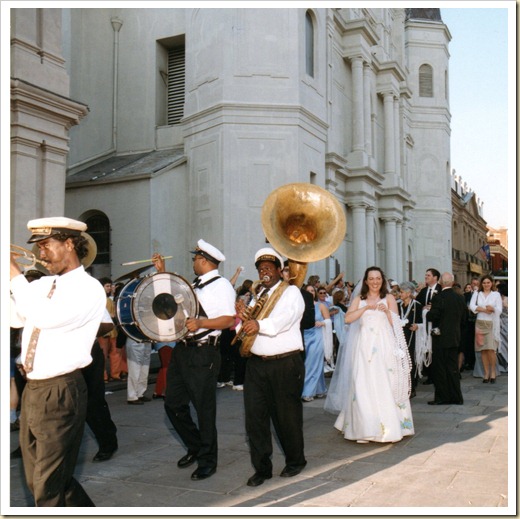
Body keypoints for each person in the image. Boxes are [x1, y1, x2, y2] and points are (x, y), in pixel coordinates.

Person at [10, 216, 106, 506]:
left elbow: (45, 318)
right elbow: (16, 316)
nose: (40, 253)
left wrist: (13, 273)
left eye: (45, 245)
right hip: (34, 388)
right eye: (38, 247)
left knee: (47, 486)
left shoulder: (89, 289)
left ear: (69, 244)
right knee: (42, 479)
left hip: (61, 390)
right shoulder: (42, 285)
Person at [153, 239, 236, 481]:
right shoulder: (196, 285)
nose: (192, 263)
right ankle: (196, 446)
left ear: (203, 261)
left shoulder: (221, 286)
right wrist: (161, 273)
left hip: (203, 352)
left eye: (194, 259)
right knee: (173, 404)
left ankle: (208, 459)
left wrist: (201, 323)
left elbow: (228, 320)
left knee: (203, 409)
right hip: (183, 349)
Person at [237, 248, 306, 487]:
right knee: (255, 419)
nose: (264, 272)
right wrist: (241, 321)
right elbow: (245, 330)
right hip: (256, 365)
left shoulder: (291, 293)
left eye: (268, 268)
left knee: (286, 418)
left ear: (279, 270)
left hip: (285, 363)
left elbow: (283, 321)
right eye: (260, 269)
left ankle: (296, 461)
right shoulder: (257, 296)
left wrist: (257, 323)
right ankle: (262, 468)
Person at [326, 266, 414, 444]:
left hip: (384, 345)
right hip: (364, 347)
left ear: (382, 281)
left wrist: (386, 311)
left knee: (384, 381)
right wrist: (366, 309)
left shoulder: (389, 298)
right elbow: (348, 318)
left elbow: (397, 324)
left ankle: (389, 426)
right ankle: (364, 426)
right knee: (362, 383)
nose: (375, 282)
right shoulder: (360, 299)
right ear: (366, 281)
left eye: (378, 278)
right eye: (371, 278)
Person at [82, 310, 119, 462]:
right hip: (57, 355)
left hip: (87, 352)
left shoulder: (87, 291)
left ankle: (107, 442)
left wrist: (77, 329)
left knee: (93, 402)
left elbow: (107, 325)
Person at [426, 272, 467, 404]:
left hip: (440, 338)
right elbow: (464, 319)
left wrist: (428, 311)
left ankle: (442, 397)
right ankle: (456, 397)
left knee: (440, 369)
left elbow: (432, 316)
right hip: (454, 337)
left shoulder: (438, 297)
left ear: (442, 283)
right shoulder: (460, 297)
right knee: (453, 368)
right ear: (453, 282)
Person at [469, 274, 502, 383]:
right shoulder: (477, 294)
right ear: (481, 284)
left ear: (491, 283)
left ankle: (493, 372)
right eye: (484, 283)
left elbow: (500, 310)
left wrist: (492, 308)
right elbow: (472, 306)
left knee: (491, 350)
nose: (486, 284)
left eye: (488, 282)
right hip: (480, 323)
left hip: (491, 324)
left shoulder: (496, 294)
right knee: (482, 349)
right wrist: (484, 310)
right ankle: (486, 373)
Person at [301, 284, 329, 402]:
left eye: (313, 290)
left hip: (317, 336)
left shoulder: (321, 306)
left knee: (311, 364)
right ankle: (320, 389)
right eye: (308, 291)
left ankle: (307, 392)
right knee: (313, 363)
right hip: (305, 336)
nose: (311, 293)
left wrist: (322, 323)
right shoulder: (301, 306)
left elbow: (328, 320)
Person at [415, 268, 442, 385]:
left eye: (428, 275)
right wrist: (423, 307)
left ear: (435, 278)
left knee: (435, 350)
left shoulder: (440, 290)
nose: (426, 277)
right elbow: (418, 304)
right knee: (427, 348)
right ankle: (429, 374)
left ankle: (436, 375)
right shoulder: (424, 291)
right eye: (426, 275)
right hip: (425, 325)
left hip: (436, 325)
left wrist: (433, 307)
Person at [397, 281, 423, 398]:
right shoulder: (398, 305)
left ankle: (411, 387)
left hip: (412, 336)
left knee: (410, 360)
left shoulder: (417, 305)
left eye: (401, 292)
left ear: (408, 293)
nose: (399, 294)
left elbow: (422, 322)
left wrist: (418, 326)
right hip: (399, 335)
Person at [97, 277, 125, 381]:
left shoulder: (109, 299)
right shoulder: (98, 300)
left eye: (110, 286)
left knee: (115, 353)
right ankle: (104, 376)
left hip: (113, 331)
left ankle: (115, 374)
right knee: (103, 356)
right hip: (104, 331)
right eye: (107, 286)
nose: (109, 288)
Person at [125, 336, 153, 404]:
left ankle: (140, 393)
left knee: (144, 368)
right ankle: (132, 396)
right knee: (134, 369)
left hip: (146, 339)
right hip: (135, 338)